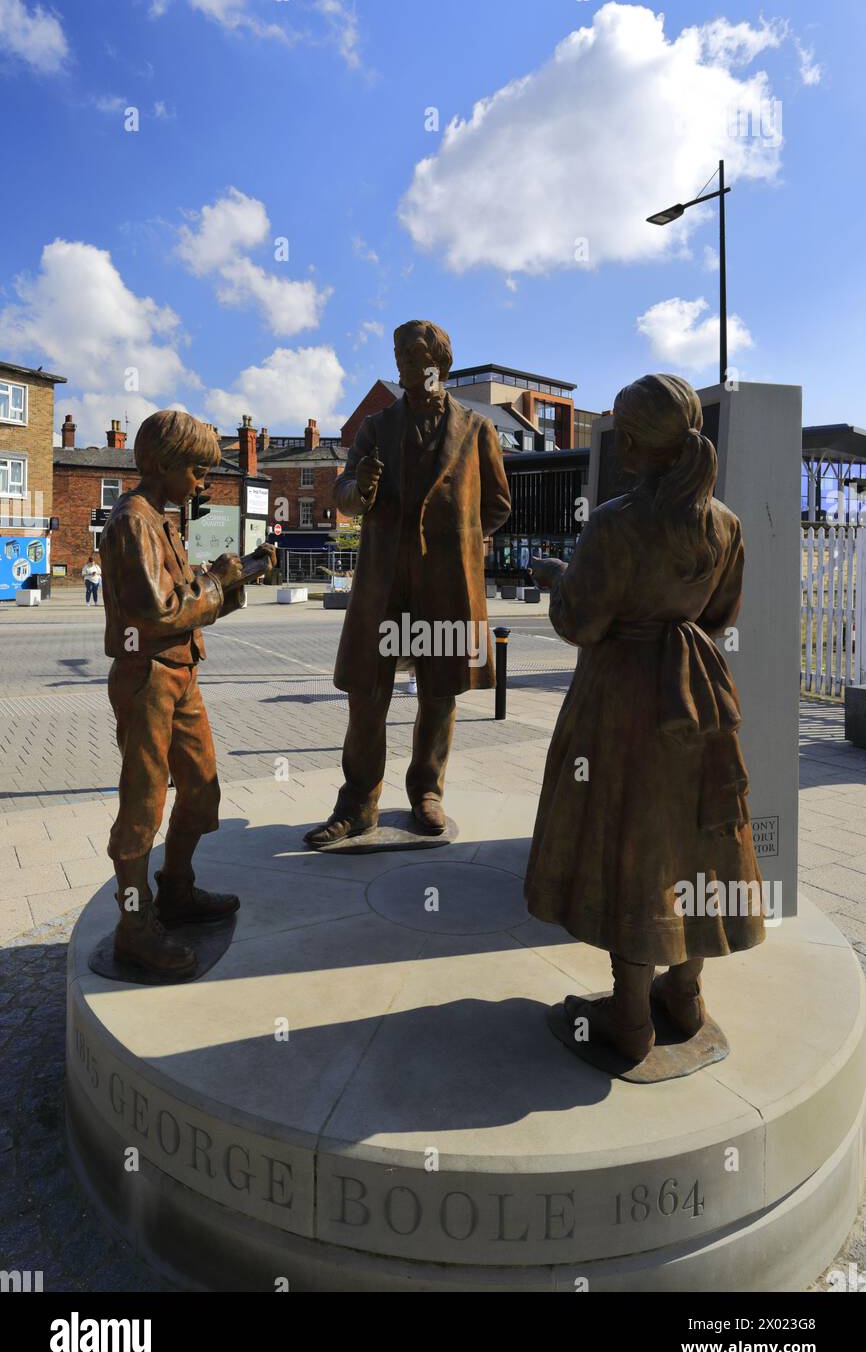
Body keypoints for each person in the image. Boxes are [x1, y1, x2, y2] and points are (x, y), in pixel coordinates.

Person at [527, 374, 765, 1064]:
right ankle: (685, 993)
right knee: (699, 841)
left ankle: (630, 1018)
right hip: (696, 696)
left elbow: (581, 621)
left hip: (624, 695)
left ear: (633, 442)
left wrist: (556, 579)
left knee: (629, 844)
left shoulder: (616, 523)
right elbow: (720, 615)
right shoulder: (724, 523)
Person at [304, 319, 511, 847]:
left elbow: (497, 506)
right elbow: (344, 494)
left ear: (437, 363)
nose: (403, 364)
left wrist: (457, 542)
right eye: (398, 354)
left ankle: (427, 792)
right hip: (385, 581)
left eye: (413, 355)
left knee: (441, 693)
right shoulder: (377, 427)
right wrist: (359, 490)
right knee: (367, 694)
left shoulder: (477, 428)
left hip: (446, 585)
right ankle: (358, 804)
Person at [98, 410, 276, 975]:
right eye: (198, 469)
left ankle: (176, 890)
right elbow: (161, 610)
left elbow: (182, 589)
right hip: (147, 675)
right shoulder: (134, 521)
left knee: (201, 792)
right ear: (166, 464)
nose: (204, 481)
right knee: (142, 808)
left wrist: (234, 576)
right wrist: (221, 582)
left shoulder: (164, 519)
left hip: (182, 671)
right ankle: (134, 924)